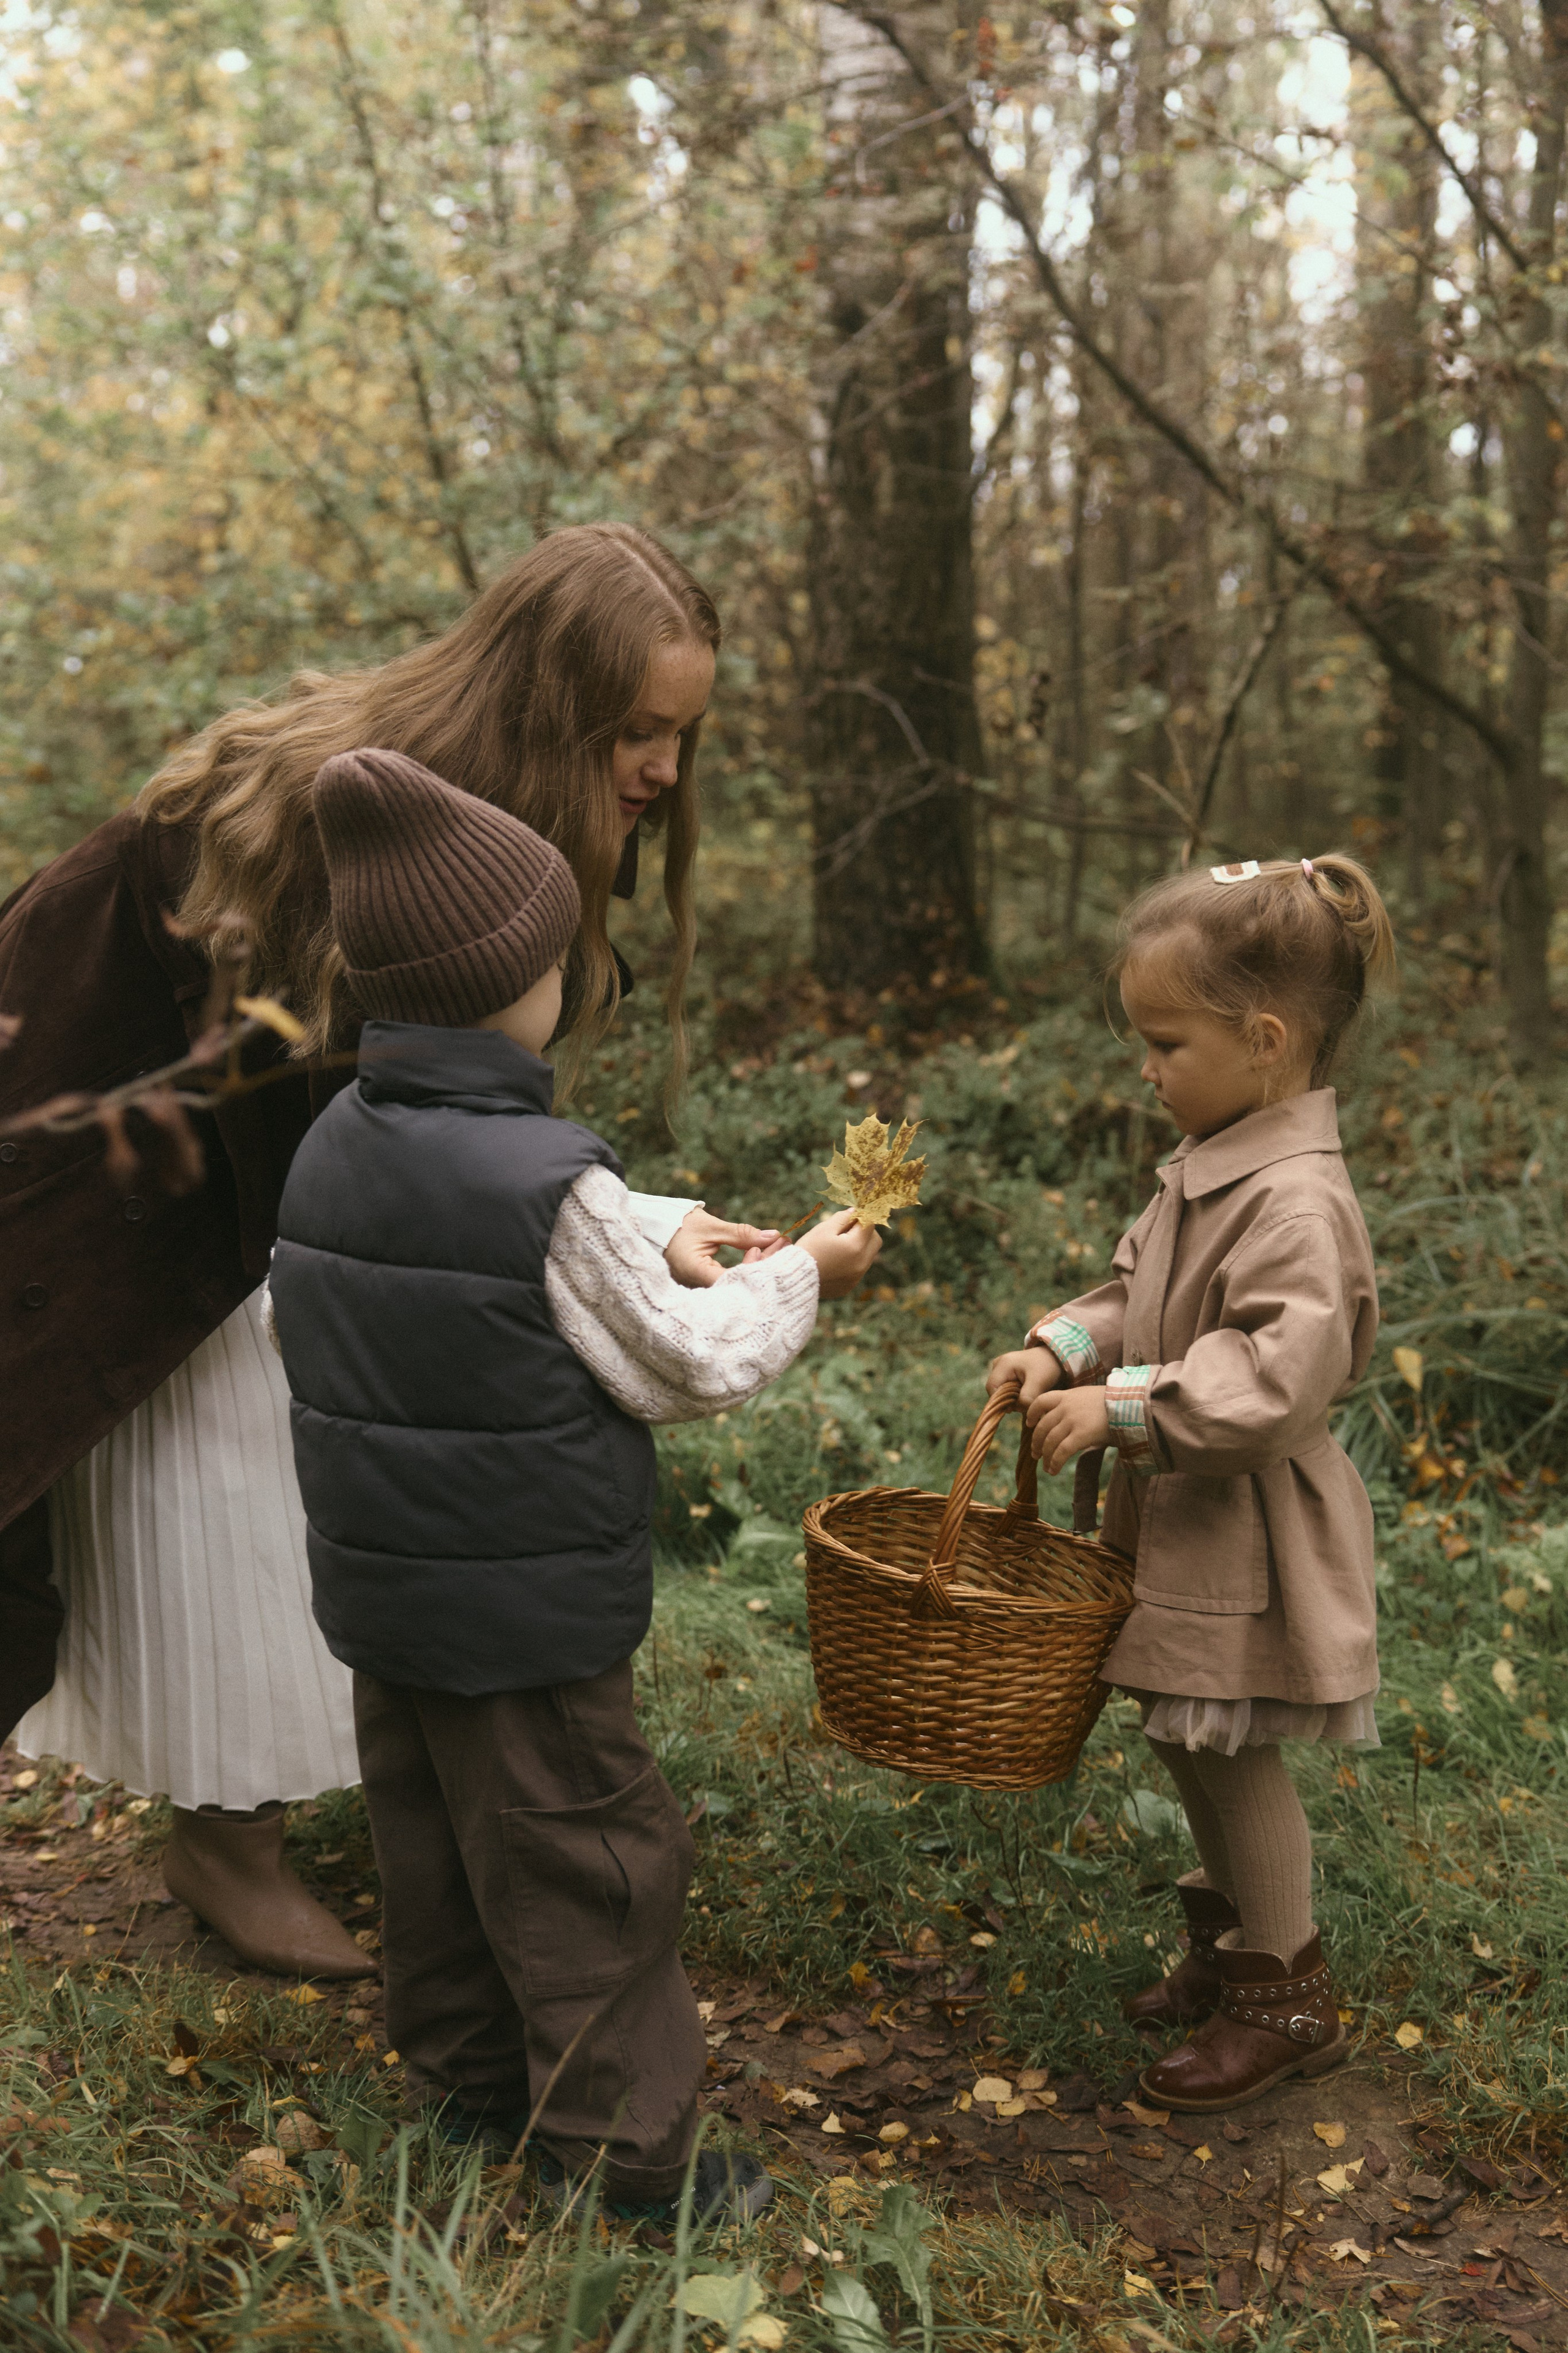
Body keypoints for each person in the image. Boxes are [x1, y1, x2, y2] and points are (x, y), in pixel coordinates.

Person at [0, 524, 777, 1976]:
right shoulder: (353, 819)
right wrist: (593, 1239)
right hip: (114, 1153)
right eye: (638, 730)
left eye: (684, 733)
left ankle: (246, 1820)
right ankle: (229, 1843)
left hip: (253, 1159)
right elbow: (388, 1141)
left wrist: (628, 1222)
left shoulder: (492, 822)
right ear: (548, 710)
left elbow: (448, 1122)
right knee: (243, 1481)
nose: (665, 768)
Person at [267, 747, 881, 2224]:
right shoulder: (548, 1181)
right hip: (527, 1608)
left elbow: (411, 1271)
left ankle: (472, 2090)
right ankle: (628, 2164)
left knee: (432, 1848)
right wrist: (808, 1267)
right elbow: (683, 1362)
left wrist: (642, 1219)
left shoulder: (333, 1140)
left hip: (388, 1591)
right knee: (588, 1865)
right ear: (514, 988)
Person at [987, 853, 1395, 2112]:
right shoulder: (1212, 1158)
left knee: (1224, 1749)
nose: (1144, 1069)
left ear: (1263, 1039)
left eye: (1164, 1042)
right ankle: (1230, 1950)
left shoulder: (1295, 1201)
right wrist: (1064, 1342)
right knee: (1181, 1733)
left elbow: (1273, 1377)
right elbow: (1136, 1293)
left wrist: (1119, 1406)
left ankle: (1286, 1988)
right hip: (1184, 1519)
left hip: (1245, 1529)